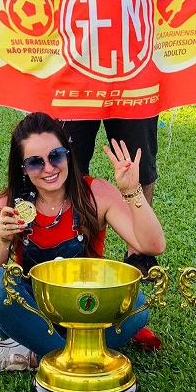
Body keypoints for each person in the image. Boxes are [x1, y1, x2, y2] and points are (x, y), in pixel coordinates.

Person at [0, 112, 165, 372]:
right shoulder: (8, 205)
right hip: (32, 309)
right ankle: (77, 359)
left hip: (87, 307)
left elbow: (153, 245)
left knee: (138, 307)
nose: (49, 168)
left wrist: (132, 191)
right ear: (22, 168)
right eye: (35, 162)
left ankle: (34, 353)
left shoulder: (96, 194)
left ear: (68, 153)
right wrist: (2, 239)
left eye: (55, 156)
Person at [62, 116, 161, 276]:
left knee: (137, 164)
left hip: (132, 92)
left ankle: (139, 253)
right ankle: (67, 244)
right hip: (73, 91)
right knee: (64, 162)